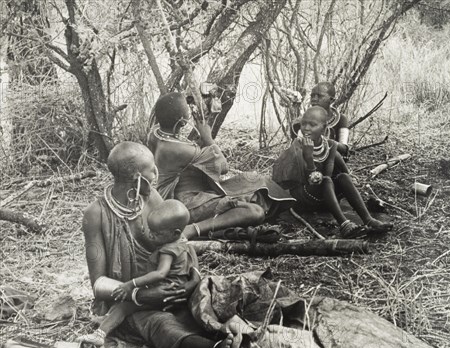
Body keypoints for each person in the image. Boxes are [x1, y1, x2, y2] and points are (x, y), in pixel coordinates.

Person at [82, 141, 241, 348]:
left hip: (172, 286)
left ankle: (241, 341)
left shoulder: (150, 196)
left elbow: (179, 241)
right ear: (137, 177)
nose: (156, 175)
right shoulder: (96, 214)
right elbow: (98, 284)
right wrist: (139, 294)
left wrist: (190, 283)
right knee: (163, 327)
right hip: (134, 302)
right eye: (152, 170)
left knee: (213, 300)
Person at [147, 92, 294, 240]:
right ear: (182, 121)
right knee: (255, 211)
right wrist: (208, 137)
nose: (191, 112)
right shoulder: (180, 150)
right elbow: (224, 167)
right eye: (187, 110)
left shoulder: (155, 134)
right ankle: (194, 229)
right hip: (188, 204)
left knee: (253, 179)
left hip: (191, 194)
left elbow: (191, 157)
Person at [78, 200, 200, 347]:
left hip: (164, 292)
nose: (151, 236)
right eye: (150, 231)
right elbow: (191, 257)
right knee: (125, 307)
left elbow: (160, 274)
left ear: (175, 233)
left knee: (124, 307)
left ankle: (100, 334)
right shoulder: (182, 243)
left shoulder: (167, 250)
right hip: (173, 290)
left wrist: (131, 284)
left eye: (157, 234)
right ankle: (107, 321)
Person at [273, 106, 392, 238]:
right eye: (304, 123)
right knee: (326, 180)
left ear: (324, 129)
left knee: (343, 177)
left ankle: (369, 220)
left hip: (323, 194)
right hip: (304, 198)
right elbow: (310, 181)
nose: (306, 128)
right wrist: (308, 158)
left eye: (312, 124)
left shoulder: (330, 145)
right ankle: (344, 224)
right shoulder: (297, 148)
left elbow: (327, 175)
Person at [291, 81, 351, 159]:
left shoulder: (341, 119)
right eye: (312, 96)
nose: (314, 99)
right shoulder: (301, 121)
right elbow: (295, 150)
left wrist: (325, 141)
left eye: (319, 96)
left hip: (333, 163)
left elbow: (344, 149)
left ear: (331, 100)